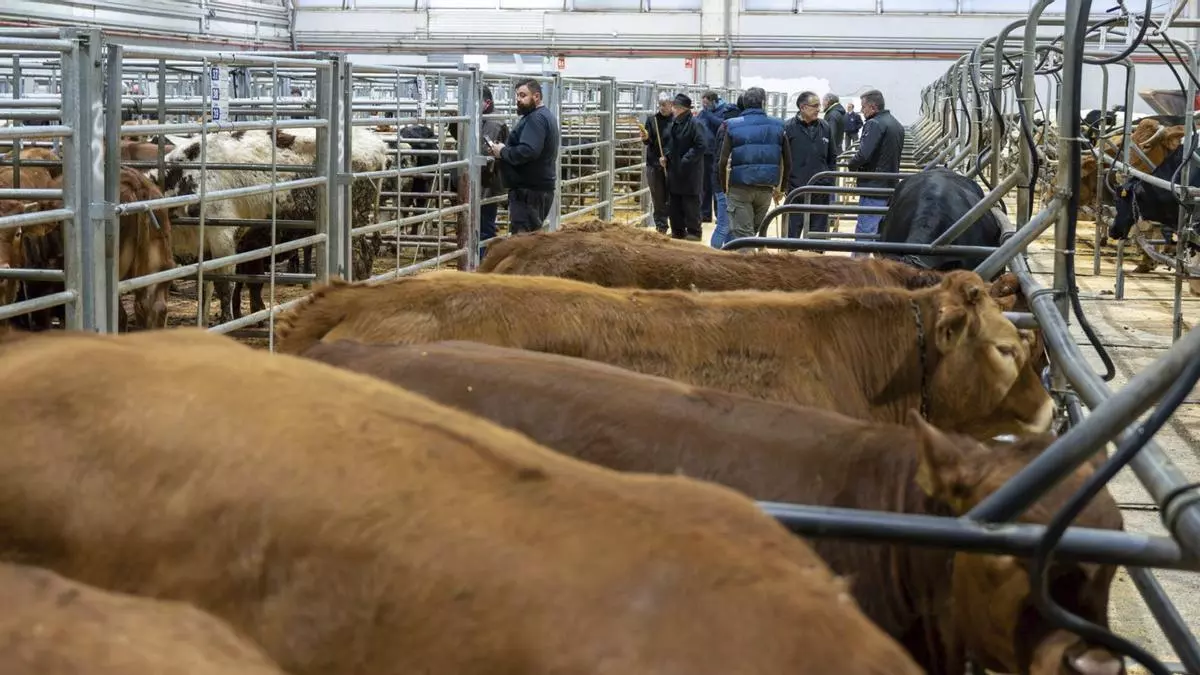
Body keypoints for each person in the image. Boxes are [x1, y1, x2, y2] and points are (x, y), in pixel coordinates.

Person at [716, 87, 791, 244]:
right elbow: (787, 161)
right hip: (766, 188)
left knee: (744, 235)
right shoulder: (779, 125)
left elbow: (723, 161)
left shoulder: (731, 125)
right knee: (752, 233)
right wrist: (781, 189)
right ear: (763, 103)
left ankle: (746, 258)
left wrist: (725, 188)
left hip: (739, 187)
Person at [489, 78, 560, 234]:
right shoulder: (544, 116)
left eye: (523, 95)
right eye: (517, 96)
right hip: (536, 189)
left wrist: (503, 151)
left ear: (536, 96)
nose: (518, 100)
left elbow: (528, 150)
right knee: (530, 235)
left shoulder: (535, 119)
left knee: (523, 239)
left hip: (529, 192)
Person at [847, 89, 905, 256]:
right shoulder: (896, 123)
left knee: (865, 230)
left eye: (863, 107)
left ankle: (859, 268)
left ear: (872, 107)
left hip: (873, 185)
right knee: (880, 232)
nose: (862, 110)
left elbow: (864, 154)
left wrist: (851, 164)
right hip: (890, 185)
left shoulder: (874, 124)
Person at [784, 91, 838, 238]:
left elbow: (832, 157)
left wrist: (829, 181)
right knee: (791, 238)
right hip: (796, 190)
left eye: (819, 105)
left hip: (820, 190)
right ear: (803, 107)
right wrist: (785, 186)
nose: (818, 109)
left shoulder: (825, 127)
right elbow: (782, 159)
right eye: (815, 106)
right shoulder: (788, 128)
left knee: (817, 238)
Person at [661, 93, 707, 241]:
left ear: (681, 108)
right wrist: (666, 156)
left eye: (674, 107)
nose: (672, 109)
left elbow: (701, 145)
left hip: (690, 171)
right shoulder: (674, 123)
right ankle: (677, 230)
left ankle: (694, 232)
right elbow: (668, 143)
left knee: (690, 202)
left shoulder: (695, 124)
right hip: (674, 170)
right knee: (674, 202)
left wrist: (686, 159)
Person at [709, 93, 745, 249]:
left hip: (724, 178)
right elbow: (723, 157)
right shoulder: (733, 125)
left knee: (730, 225)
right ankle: (713, 256)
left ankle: (728, 254)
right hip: (725, 180)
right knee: (724, 225)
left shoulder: (728, 122)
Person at [698, 91, 740, 224]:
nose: (705, 106)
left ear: (714, 101)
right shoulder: (703, 113)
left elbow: (722, 124)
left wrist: (709, 115)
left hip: (718, 153)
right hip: (705, 152)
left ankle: (719, 214)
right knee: (705, 184)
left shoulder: (724, 111)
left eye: (707, 103)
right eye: (703, 104)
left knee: (718, 183)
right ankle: (705, 213)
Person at [478, 86, 509, 258]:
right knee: (481, 223)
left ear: (487, 102)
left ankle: (483, 261)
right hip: (484, 180)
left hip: (487, 181)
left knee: (484, 225)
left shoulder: (493, 122)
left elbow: (485, 153)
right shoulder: (482, 118)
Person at [640, 95, 674, 234]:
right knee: (658, 197)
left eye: (664, 104)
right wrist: (645, 138)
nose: (661, 108)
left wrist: (668, 157)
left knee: (673, 196)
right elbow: (648, 141)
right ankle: (661, 226)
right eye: (660, 104)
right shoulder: (652, 120)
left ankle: (676, 225)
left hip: (672, 164)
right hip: (654, 163)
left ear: (671, 104)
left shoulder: (676, 120)